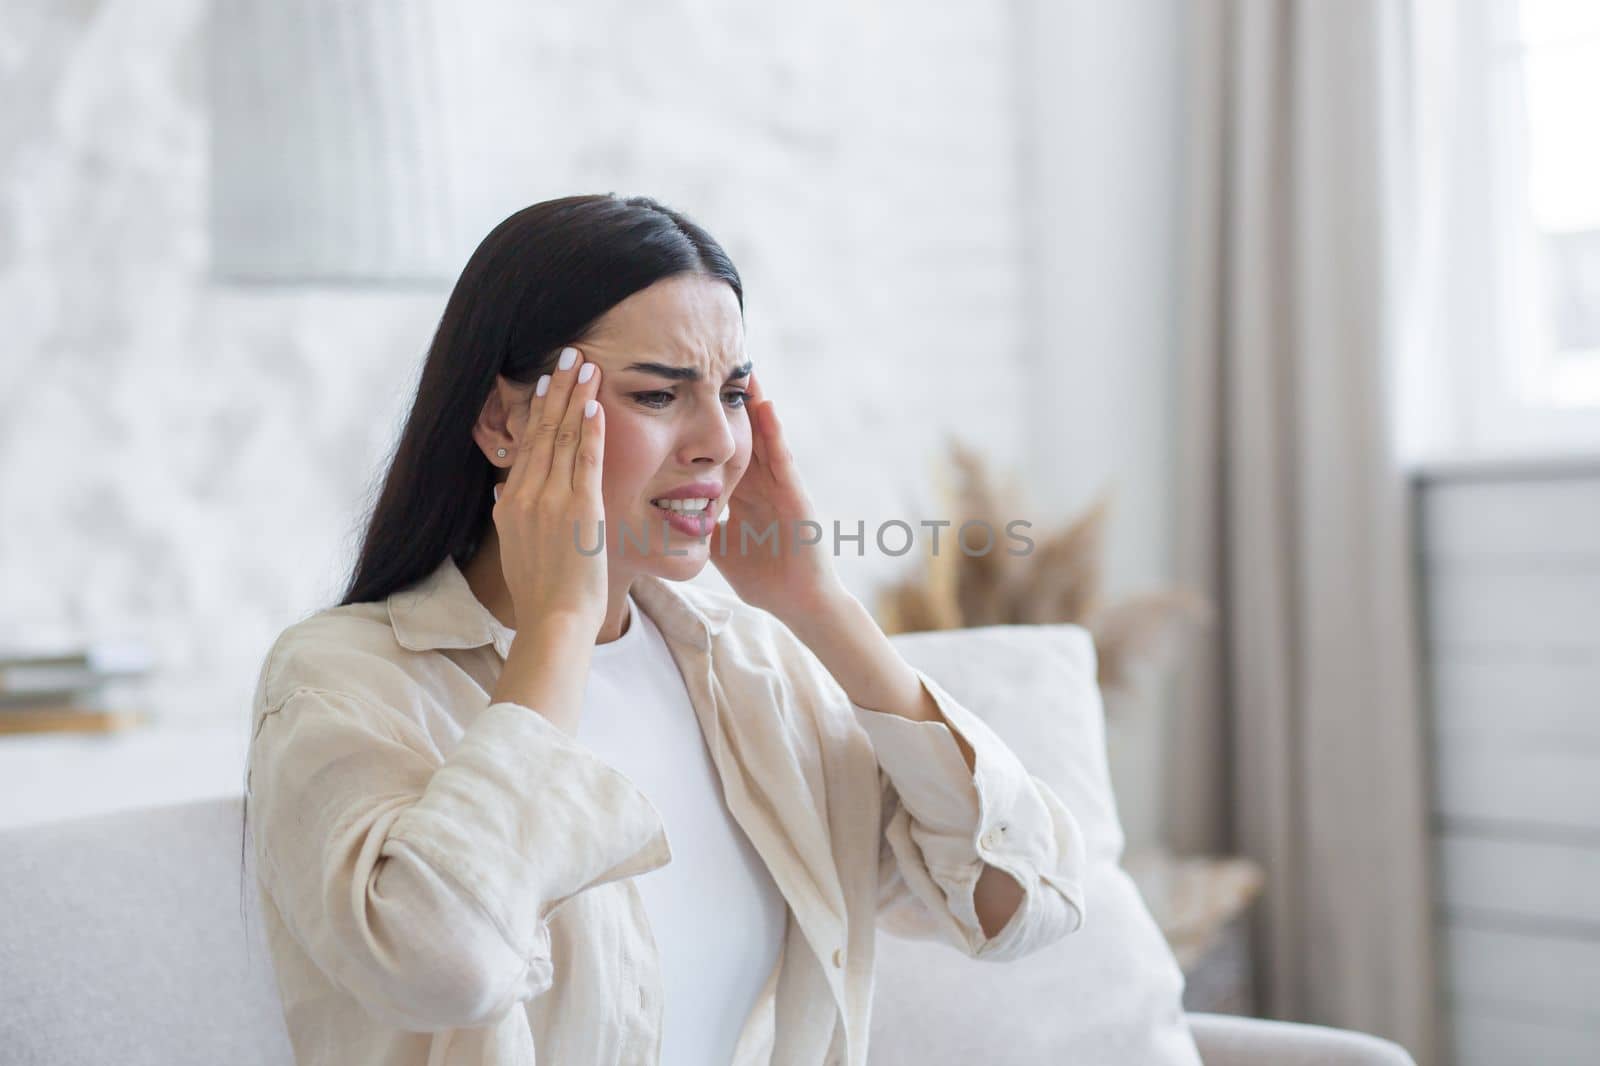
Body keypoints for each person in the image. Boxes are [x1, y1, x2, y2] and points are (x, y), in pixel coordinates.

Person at [242, 193, 1088, 1066]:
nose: (718, 441)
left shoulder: (749, 668)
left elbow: (1023, 904)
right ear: (504, 422)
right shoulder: (341, 678)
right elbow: (443, 963)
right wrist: (560, 624)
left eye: (730, 393)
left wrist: (820, 609)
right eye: (657, 394)